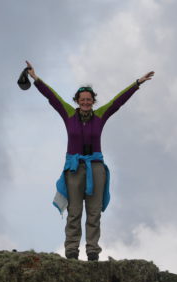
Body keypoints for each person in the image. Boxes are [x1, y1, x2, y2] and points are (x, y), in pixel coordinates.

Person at [25, 60, 154, 261]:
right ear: (77, 100)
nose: (85, 102)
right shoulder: (68, 113)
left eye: (89, 99)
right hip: (75, 168)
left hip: (95, 168)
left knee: (94, 212)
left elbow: (117, 101)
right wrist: (35, 78)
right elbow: (53, 97)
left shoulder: (100, 116)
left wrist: (137, 83)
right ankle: (71, 250)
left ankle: (92, 250)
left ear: (93, 101)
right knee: (74, 211)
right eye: (82, 99)